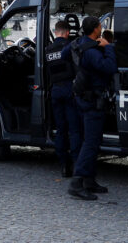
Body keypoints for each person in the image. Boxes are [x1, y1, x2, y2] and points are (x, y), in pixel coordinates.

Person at [67, 16, 117, 201]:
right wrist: (109, 47)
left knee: (91, 141)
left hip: (82, 98)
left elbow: (65, 56)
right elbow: (110, 67)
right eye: (100, 26)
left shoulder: (78, 44)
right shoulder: (92, 50)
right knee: (91, 143)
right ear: (96, 29)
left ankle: (89, 180)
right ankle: (77, 182)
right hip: (92, 101)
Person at [45, 20, 81, 178]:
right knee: (74, 130)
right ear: (67, 32)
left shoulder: (48, 49)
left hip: (55, 91)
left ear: (56, 31)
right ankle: (76, 163)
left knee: (60, 130)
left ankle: (64, 165)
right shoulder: (70, 46)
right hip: (69, 89)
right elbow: (77, 69)